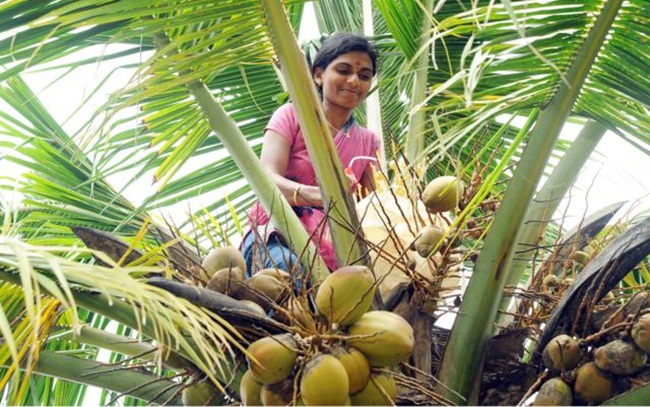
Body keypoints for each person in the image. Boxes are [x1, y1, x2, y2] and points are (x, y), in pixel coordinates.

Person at [241, 32, 381, 284]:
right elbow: (266, 178)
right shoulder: (291, 116)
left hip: (337, 257)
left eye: (364, 76)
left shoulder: (369, 142)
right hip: (275, 236)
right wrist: (318, 195)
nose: (354, 81)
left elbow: (370, 207)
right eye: (343, 70)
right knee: (290, 275)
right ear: (318, 75)